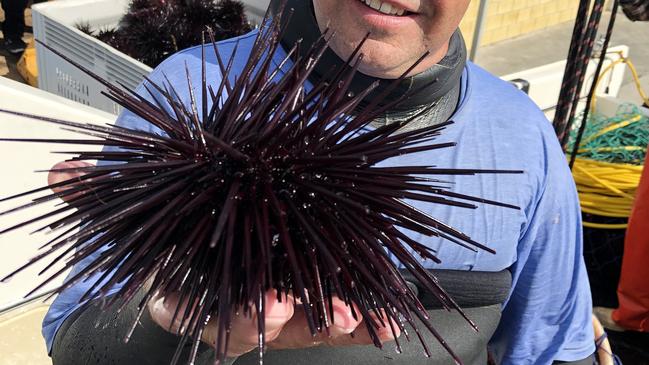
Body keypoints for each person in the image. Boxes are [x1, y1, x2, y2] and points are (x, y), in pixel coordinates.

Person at [41, 1, 597, 364]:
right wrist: (166, 326)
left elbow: (555, 348)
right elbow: (75, 345)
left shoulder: (523, 137)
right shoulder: (188, 94)